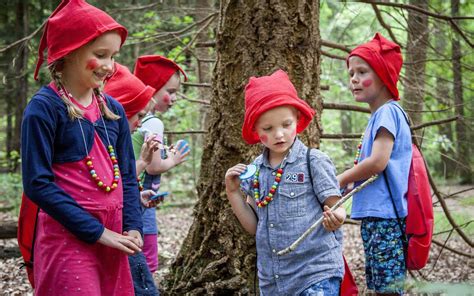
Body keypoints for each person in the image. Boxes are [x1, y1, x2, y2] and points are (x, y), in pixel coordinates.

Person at [21, 0, 142, 295]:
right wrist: (98, 232)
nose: (110, 66)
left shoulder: (112, 109)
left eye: (113, 56)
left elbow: (127, 175)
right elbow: (38, 185)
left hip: (115, 239)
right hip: (68, 239)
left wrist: (133, 226)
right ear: (69, 51)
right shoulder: (44, 109)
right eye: (100, 55)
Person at [225, 70, 345, 295]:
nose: (279, 134)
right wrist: (233, 193)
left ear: (298, 120)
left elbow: (337, 207)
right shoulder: (256, 171)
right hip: (274, 280)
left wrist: (336, 219)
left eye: (286, 124)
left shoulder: (313, 161)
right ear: (255, 131)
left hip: (315, 273)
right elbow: (254, 226)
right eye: (268, 129)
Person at [337, 33, 412, 295]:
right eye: (351, 73)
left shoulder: (388, 112)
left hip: (385, 219)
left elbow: (378, 162)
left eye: (362, 71)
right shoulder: (380, 116)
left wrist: (343, 177)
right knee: (381, 285)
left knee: (388, 288)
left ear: (383, 75)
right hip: (377, 217)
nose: (354, 79)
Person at [104, 62, 161, 296]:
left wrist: (136, 197)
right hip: (111, 236)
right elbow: (107, 187)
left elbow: (119, 184)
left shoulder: (121, 140)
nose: (139, 123)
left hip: (124, 232)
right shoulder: (103, 143)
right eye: (137, 115)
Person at [131, 55, 189, 273]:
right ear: (151, 89)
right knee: (147, 260)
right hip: (143, 198)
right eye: (170, 92)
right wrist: (173, 160)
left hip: (130, 194)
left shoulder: (139, 120)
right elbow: (153, 166)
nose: (174, 98)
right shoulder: (154, 122)